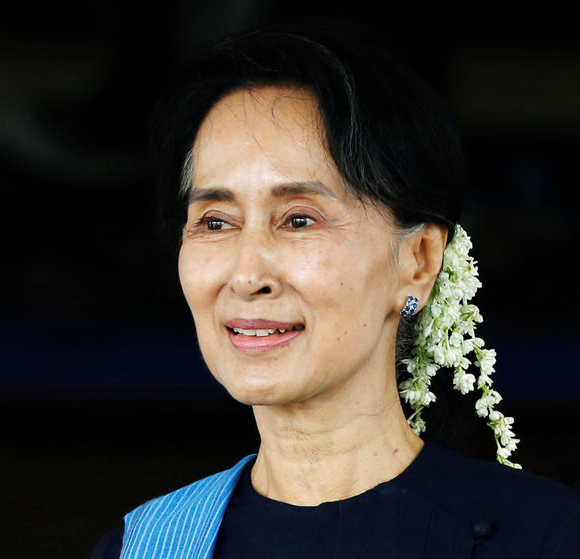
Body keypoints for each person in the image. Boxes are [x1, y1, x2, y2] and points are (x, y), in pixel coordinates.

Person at [91, 20, 580, 559]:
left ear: (418, 262)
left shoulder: (545, 537)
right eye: (215, 221)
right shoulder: (147, 545)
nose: (248, 275)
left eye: (299, 220)